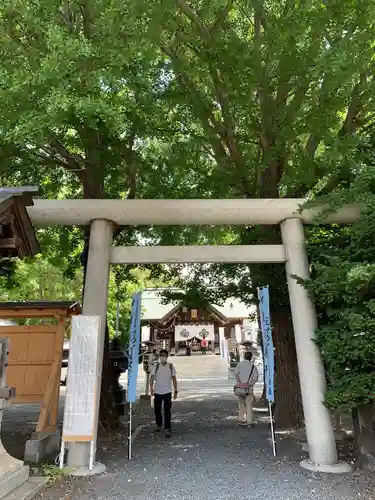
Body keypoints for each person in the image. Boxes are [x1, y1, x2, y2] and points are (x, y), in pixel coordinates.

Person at [150, 349, 178, 438]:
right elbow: (152, 377)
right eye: (161, 355)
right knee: (157, 410)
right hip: (158, 392)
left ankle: (167, 429)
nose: (162, 357)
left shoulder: (170, 366)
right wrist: (151, 388)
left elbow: (174, 378)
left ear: (167, 357)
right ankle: (159, 424)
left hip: (167, 392)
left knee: (167, 411)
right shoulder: (156, 366)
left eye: (164, 355)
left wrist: (175, 391)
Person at [234, 350, 259, 426]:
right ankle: (249, 421)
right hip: (249, 389)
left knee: (241, 404)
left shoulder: (239, 364)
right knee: (249, 404)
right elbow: (256, 377)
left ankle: (241, 419)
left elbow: (236, 374)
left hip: (240, 389)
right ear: (251, 358)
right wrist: (249, 384)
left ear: (244, 356)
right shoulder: (253, 367)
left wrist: (240, 383)